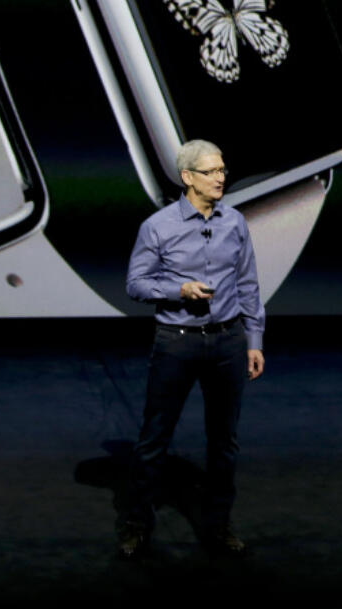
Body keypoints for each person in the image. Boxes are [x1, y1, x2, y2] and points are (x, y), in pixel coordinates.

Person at [118, 139, 265, 559]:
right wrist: (177, 289)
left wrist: (254, 340)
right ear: (188, 177)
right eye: (212, 171)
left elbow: (248, 285)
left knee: (224, 442)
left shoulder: (234, 223)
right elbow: (135, 284)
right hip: (177, 344)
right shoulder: (158, 226)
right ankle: (135, 524)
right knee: (153, 440)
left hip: (228, 342)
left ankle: (218, 525)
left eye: (223, 170)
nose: (221, 178)